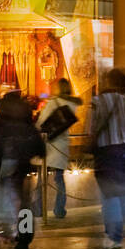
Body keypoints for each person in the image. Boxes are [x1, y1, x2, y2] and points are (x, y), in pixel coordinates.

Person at [88, 68, 125, 249]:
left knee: (110, 194)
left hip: (106, 152)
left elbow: (90, 127)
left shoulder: (97, 102)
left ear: (107, 82)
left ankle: (114, 236)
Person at [0, 89, 44, 249]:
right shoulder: (26, 116)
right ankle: (24, 237)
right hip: (23, 162)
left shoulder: (3, 117)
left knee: (4, 200)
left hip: (7, 160)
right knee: (24, 202)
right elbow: (35, 136)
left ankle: (7, 232)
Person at [35, 78, 81, 220]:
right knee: (59, 179)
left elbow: (41, 122)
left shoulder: (53, 103)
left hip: (49, 144)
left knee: (41, 179)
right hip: (62, 143)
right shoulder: (73, 104)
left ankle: (39, 208)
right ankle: (59, 209)